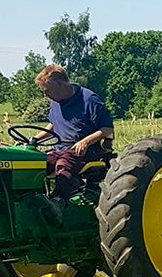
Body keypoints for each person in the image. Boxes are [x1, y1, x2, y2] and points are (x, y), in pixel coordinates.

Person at [33, 65, 115, 198]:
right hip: (60, 149)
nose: (45, 95)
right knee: (37, 164)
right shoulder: (56, 102)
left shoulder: (89, 100)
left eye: (47, 90)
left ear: (60, 84)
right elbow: (53, 125)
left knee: (62, 167)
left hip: (86, 151)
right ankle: (37, 199)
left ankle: (61, 201)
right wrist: (34, 140)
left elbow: (107, 129)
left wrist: (85, 141)